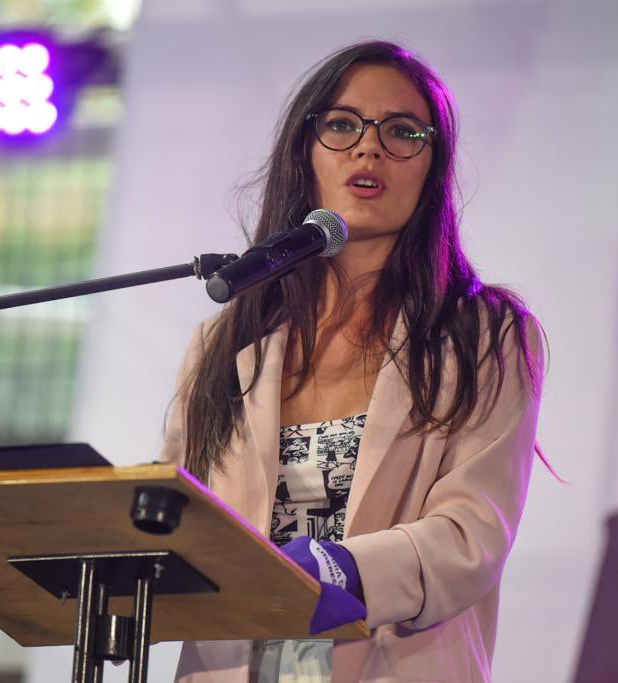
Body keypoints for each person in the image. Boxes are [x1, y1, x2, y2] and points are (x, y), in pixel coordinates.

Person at [161, 40, 545, 683]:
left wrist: (342, 570)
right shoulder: (222, 346)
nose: (369, 149)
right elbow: (178, 519)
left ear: (433, 169)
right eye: (342, 125)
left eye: (403, 132)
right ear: (304, 152)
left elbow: (471, 535)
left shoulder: (483, 335)